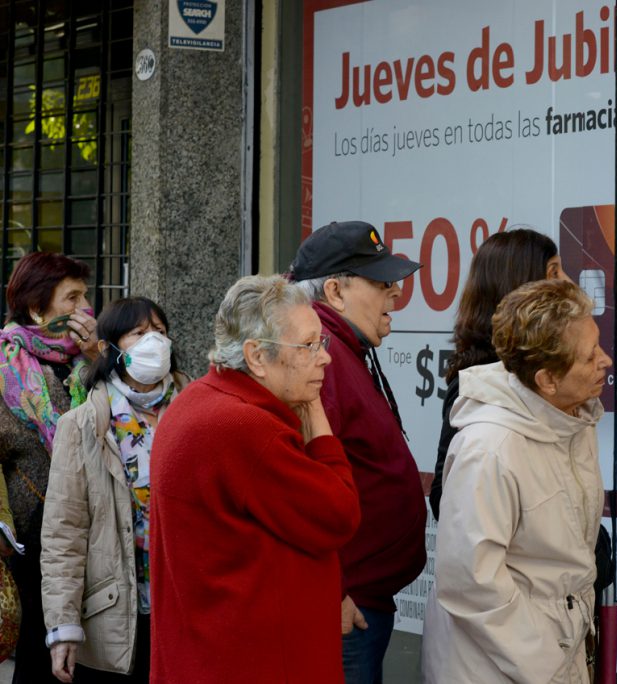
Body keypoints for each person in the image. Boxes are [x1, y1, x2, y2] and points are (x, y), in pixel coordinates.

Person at [147, 275, 361, 683]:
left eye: (322, 342)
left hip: (209, 656)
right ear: (256, 356)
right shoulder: (246, 427)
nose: (325, 358)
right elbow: (339, 513)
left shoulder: (194, 400)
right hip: (251, 662)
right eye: (309, 345)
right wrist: (314, 410)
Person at [422, 279, 611, 683]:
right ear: (547, 380)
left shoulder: (573, 419)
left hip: (553, 654)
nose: (606, 360)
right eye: (590, 354)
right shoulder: (489, 449)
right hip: (496, 666)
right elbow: (470, 583)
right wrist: (545, 659)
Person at [290, 221, 425, 684]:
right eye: (382, 283)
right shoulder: (320, 356)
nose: (395, 294)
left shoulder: (342, 347)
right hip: (346, 608)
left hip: (361, 600)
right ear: (335, 290)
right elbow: (301, 486)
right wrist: (333, 591)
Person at [41, 297, 188, 683]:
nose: (153, 341)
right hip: (118, 614)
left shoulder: (196, 409)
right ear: (110, 349)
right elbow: (64, 533)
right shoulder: (83, 425)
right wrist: (63, 625)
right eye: (138, 333)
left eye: (159, 331)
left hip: (189, 606)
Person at [0, 251, 99, 684]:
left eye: (85, 297)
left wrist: (98, 355)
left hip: (91, 533)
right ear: (38, 308)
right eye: (72, 298)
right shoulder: (7, 365)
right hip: (29, 543)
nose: (84, 309)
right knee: (40, 661)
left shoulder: (89, 361)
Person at [429, 227, 569, 520]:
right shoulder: (478, 383)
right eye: (553, 272)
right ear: (520, 285)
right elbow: (448, 497)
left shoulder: (545, 369)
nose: (567, 283)